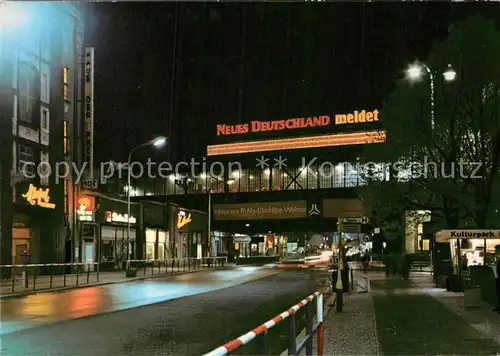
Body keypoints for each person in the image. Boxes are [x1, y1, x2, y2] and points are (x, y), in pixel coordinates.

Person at [493, 245, 500, 313]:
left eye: (496, 250)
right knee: (498, 293)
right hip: (497, 278)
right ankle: (499, 307)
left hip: (499, 278)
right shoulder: (497, 258)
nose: (495, 251)